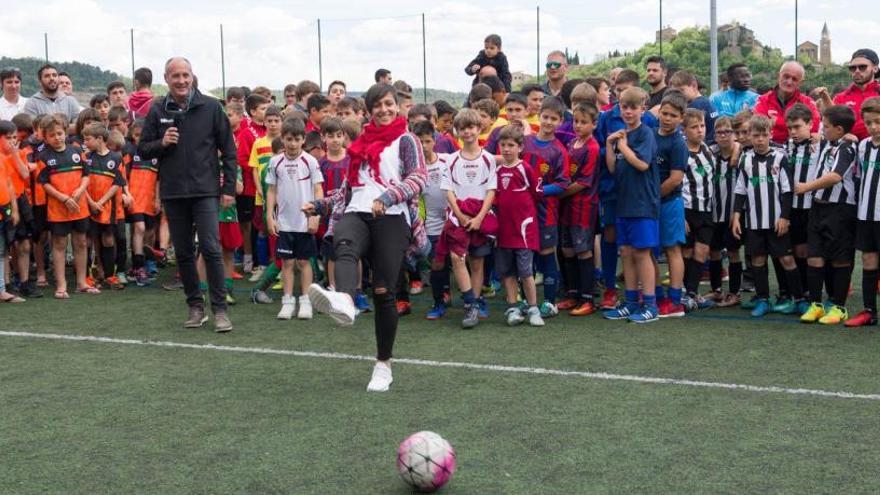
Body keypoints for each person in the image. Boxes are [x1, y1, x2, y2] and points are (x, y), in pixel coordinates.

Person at [304, 83, 427, 393]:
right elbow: (348, 190)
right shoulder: (359, 143)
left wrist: (388, 197)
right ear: (368, 111)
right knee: (343, 245)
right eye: (377, 106)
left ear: (398, 106)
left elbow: (418, 178)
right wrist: (320, 205)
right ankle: (344, 298)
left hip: (393, 217)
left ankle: (383, 364)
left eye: (388, 104)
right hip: (357, 211)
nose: (383, 110)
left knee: (384, 292)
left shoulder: (407, 140)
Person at [138, 57, 237, 332]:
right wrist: (162, 142)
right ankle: (195, 307)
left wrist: (228, 188)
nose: (181, 81)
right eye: (175, 76)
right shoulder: (157, 109)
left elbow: (229, 150)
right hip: (173, 192)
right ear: (166, 79)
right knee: (182, 252)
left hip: (205, 190)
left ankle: (220, 310)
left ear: (192, 76)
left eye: (185, 75)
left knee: (211, 248)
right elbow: (143, 149)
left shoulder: (211, 106)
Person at [594, 69, 658, 310]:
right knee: (627, 252)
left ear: (643, 108)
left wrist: (622, 145)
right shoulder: (620, 133)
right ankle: (631, 302)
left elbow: (642, 164)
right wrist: (611, 145)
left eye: (633, 107)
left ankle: (650, 305)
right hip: (622, 202)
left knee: (642, 253)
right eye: (624, 107)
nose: (628, 112)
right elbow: (612, 168)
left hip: (642, 203)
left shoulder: (646, 133)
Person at [731, 115, 805, 317]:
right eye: (756, 135)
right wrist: (737, 216)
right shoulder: (745, 159)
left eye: (764, 135)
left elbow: (788, 191)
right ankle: (763, 300)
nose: (760, 139)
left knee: (787, 259)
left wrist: (784, 217)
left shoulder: (780, 157)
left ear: (771, 135)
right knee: (757, 260)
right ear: (750, 136)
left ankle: (798, 299)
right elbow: (740, 190)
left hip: (776, 221)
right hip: (754, 222)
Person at [794, 105, 859, 325]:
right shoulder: (824, 143)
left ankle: (839, 307)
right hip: (818, 208)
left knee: (840, 260)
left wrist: (806, 187)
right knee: (815, 257)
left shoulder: (848, 147)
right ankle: (816, 304)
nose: (822, 128)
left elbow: (835, 177)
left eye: (827, 126)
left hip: (839, 210)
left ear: (839, 129)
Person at [434, 108, 497, 328]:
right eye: (462, 128)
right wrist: (459, 215)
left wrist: (479, 217)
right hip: (458, 218)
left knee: (477, 262)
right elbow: (447, 189)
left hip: (480, 217)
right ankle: (470, 303)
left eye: (471, 127)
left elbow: (491, 191)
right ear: (457, 131)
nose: (467, 132)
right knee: (456, 258)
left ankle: (476, 301)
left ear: (479, 129)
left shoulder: (489, 159)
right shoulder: (451, 160)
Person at [266, 118, 323, 320]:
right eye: (289, 139)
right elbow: (272, 190)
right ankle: (287, 301)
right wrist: (269, 216)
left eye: (296, 139)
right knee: (287, 263)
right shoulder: (275, 162)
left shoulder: (310, 161)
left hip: (304, 222)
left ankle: (305, 300)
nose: (292, 143)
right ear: (282, 139)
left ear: (303, 140)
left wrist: (315, 214)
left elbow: (318, 189)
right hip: (284, 222)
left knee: (303, 262)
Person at [36, 115, 96, 298]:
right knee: (60, 243)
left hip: (80, 207)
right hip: (58, 209)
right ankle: (61, 285)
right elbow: (44, 183)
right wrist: (63, 198)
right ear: (45, 137)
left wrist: (79, 191)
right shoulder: (43, 156)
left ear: (65, 132)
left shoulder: (77, 151)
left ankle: (81, 282)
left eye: (60, 133)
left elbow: (87, 175)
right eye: (52, 135)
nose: (57, 137)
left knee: (81, 242)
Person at [522, 96, 571, 317]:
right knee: (526, 254)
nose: (548, 122)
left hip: (546, 212)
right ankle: (527, 300)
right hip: (523, 210)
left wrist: (540, 191)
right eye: (545, 117)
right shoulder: (527, 142)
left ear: (560, 121)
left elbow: (563, 183)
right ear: (539, 116)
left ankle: (550, 301)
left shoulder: (559, 151)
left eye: (554, 118)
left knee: (546, 252)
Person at [493, 124, 544, 326]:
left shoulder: (525, 168)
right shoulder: (496, 170)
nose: (506, 149)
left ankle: (533, 308)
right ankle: (513, 307)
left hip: (523, 230)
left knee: (526, 272)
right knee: (507, 272)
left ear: (520, 147)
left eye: (511, 145)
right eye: (503, 145)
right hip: (503, 230)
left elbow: (537, 194)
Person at [557, 102, 600, 316]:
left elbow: (584, 182)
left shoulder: (592, 148)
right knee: (567, 249)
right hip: (565, 207)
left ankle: (588, 298)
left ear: (594, 124)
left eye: (584, 122)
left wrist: (558, 193)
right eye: (576, 121)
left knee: (583, 250)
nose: (578, 125)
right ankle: (572, 294)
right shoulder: (572, 142)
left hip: (583, 207)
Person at [652, 91, 689, 318]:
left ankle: (675, 301)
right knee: (648, 250)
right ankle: (655, 296)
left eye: (673, 115)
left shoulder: (678, 143)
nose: (667, 118)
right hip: (650, 203)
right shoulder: (650, 135)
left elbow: (675, 178)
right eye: (664, 113)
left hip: (669, 202)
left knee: (673, 249)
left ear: (681, 117)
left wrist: (652, 197)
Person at [846, 97, 880, 327]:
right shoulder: (863, 146)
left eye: (878, 121)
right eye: (869, 123)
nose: (873, 127)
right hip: (866, 215)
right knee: (868, 261)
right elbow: (858, 178)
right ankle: (869, 311)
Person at [414, 121, 452, 320]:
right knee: (436, 263)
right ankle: (438, 302)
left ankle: (459, 296)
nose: (424, 146)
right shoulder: (413, 169)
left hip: (454, 220)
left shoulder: (447, 160)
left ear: (434, 140)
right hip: (431, 223)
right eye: (419, 142)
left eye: (427, 141)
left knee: (459, 261)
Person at [82, 123, 126, 289]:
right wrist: (91, 202)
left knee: (108, 239)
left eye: (88, 139)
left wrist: (100, 202)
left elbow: (117, 183)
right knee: (88, 240)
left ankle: (110, 276)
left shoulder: (116, 158)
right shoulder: (86, 157)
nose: (85, 142)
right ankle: (88, 277)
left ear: (100, 139)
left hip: (107, 208)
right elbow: (81, 181)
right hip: (88, 206)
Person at [681, 109, 716, 310]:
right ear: (684, 130)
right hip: (687, 210)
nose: (700, 130)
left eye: (702, 126)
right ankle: (684, 292)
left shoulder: (707, 149)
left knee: (702, 251)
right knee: (686, 252)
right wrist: (680, 215)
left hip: (706, 209)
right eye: (694, 127)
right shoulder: (681, 152)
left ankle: (693, 293)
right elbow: (677, 184)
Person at [707, 116, 743, 307]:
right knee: (713, 251)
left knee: (733, 252)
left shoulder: (742, 154)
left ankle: (735, 292)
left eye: (727, 131)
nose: (723, 136)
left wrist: (737, 147)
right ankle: (717, 290)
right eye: (719, 132)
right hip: (713, 212)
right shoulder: (710, 152)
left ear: (734, 134)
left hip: (732, 214)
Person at [783, 103, 817, 302]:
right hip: (791, 208)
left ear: (810, 124)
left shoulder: (820, 145)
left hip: (812, 207)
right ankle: (796, 292)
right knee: (795, 250)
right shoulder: (785, 146)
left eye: (797, 127)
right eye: (790, 128)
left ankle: (813, 292)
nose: (793, 132)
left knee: (809, 252)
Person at [236, 93, 270, 275]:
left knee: (266, 224)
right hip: (250, 188)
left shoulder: (270, 131)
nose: (267, 113)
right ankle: (249, 259)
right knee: (249, 225)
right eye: (263, 109)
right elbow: (242, 159)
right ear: (252, 111)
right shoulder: (247, 133)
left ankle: (266, 261)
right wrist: (258, 173)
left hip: (269, 189)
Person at [814, 49, 880, 141]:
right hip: (849, 151)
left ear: (875, 68)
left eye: (862, 67)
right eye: (853, 68)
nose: (857, 71)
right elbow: (835, 121)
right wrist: (825, 98)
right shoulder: (841, 97)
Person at [754, 61, 820, 145]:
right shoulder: (763, 100)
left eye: (794, 79)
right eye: (786, 77)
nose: (789, 82)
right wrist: (798, 126)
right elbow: (759, 128)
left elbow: (813, 128)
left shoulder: (808, 103)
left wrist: (777, 122)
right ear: (778, 76)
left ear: (800, 83)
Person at [0, 134, 22, 302]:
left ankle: (1, 290)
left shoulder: (2, 159)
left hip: (3, 212)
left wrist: (14, 209)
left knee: (1, 251)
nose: (12, 141)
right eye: (8, 137)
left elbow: (8, 183)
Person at [669, 70, 718, 144]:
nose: (678, 95)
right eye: (675, 92)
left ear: (694, 86)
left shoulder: (696, 106)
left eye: (681, 90)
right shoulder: (706, 101)